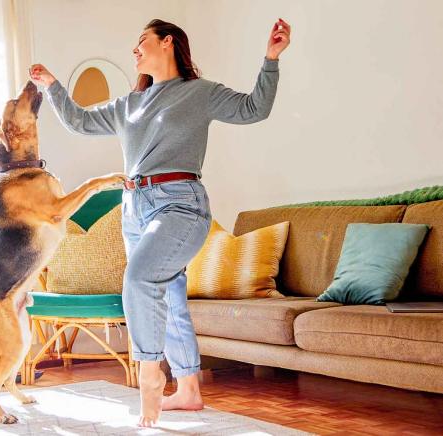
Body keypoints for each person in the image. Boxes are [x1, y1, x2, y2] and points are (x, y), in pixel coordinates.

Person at [30, 18, 291, 427]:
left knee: (138, 279)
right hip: (134, 207)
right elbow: (79, 121)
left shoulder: (199, 93)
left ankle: (151, 372)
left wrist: (270, 59)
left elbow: (254, 109)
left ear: (168, 42)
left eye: (142, 42)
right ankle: (188, 390)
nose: (135, 51)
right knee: (168, 297)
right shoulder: (129, 105)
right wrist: (52, 85)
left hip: (180, 205)